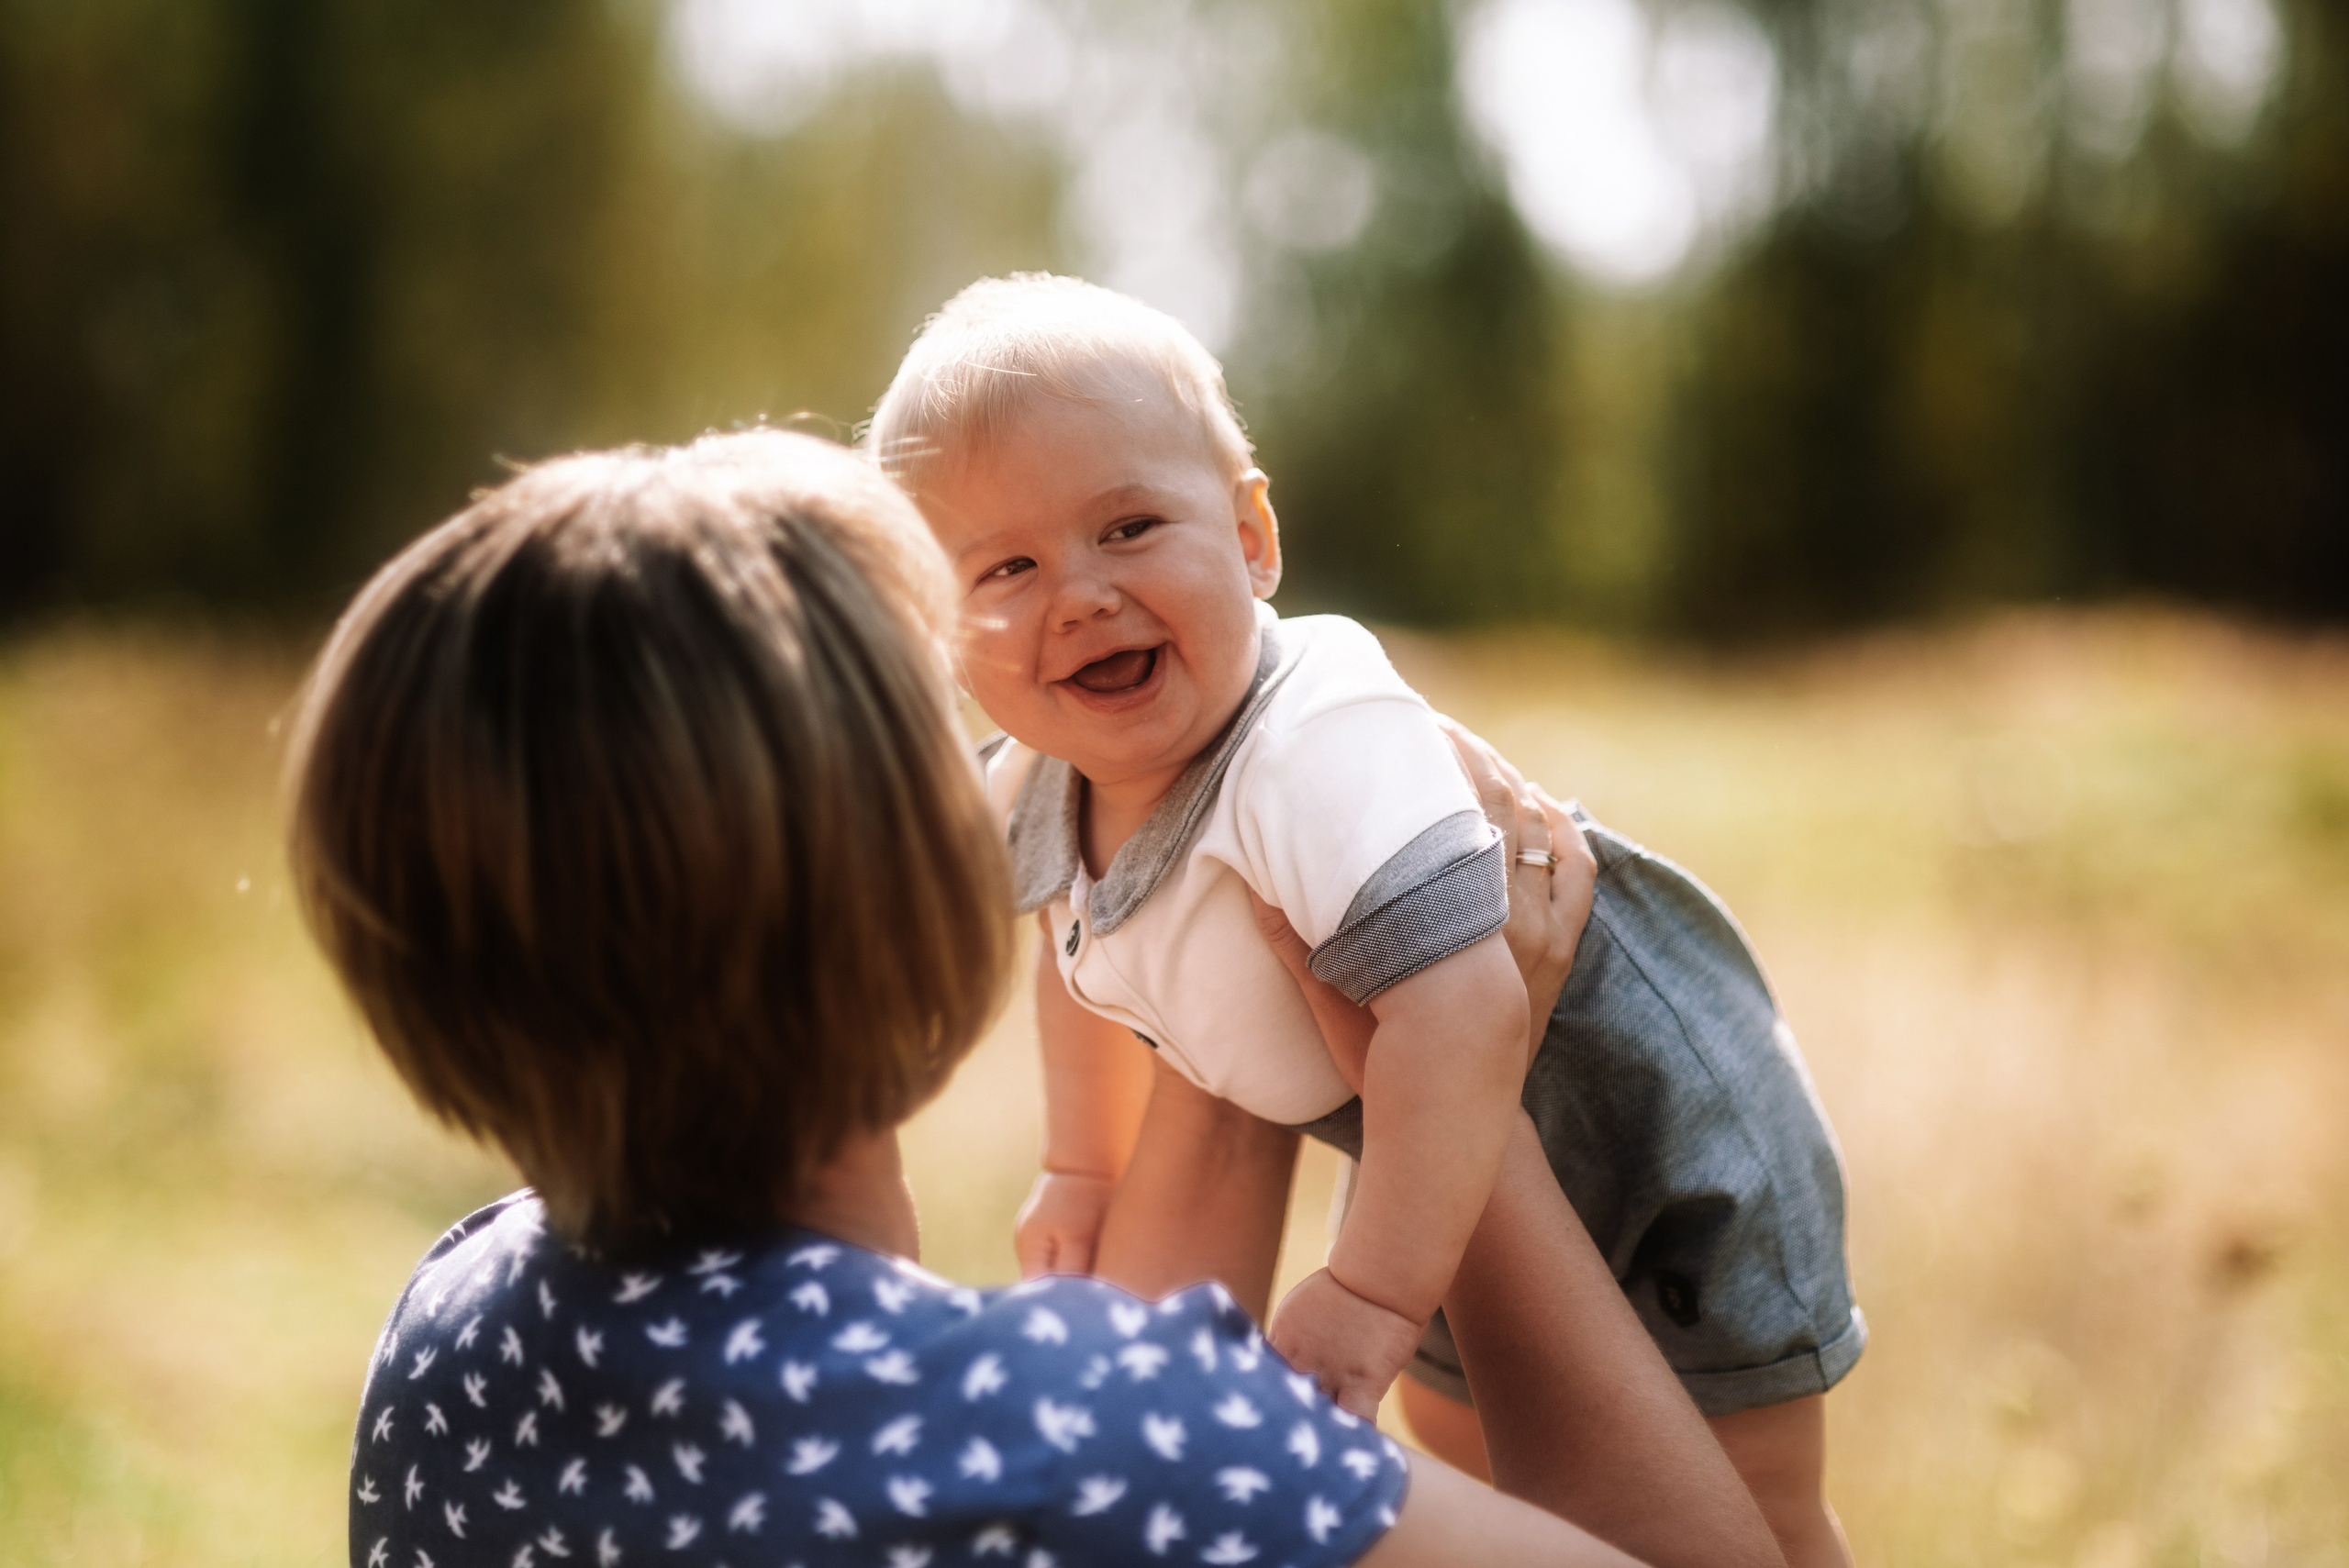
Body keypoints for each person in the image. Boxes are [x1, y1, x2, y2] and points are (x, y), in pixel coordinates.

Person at [291, 428, 1781, 1567]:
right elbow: (1122, 1447)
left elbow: (1068, 1424)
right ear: (882, 907)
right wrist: (1481, 1095)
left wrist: (1209, 896)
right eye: (949, 736)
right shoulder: (1136, 1449)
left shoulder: (450, 1341)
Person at [867, 273, 1863, 1566]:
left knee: (1756, 1497)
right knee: (1480, 1457)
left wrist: (1373, 1295)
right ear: (945, 631)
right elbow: (1078, 947)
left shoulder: (1315, 740)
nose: (1080, 594)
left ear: (1251, 537)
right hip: (1415, 1147)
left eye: (1128, 528)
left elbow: (1469, 1000)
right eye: (1008, 565)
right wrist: (1081, 1164)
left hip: (1642, 1121)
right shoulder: (1042, 783)